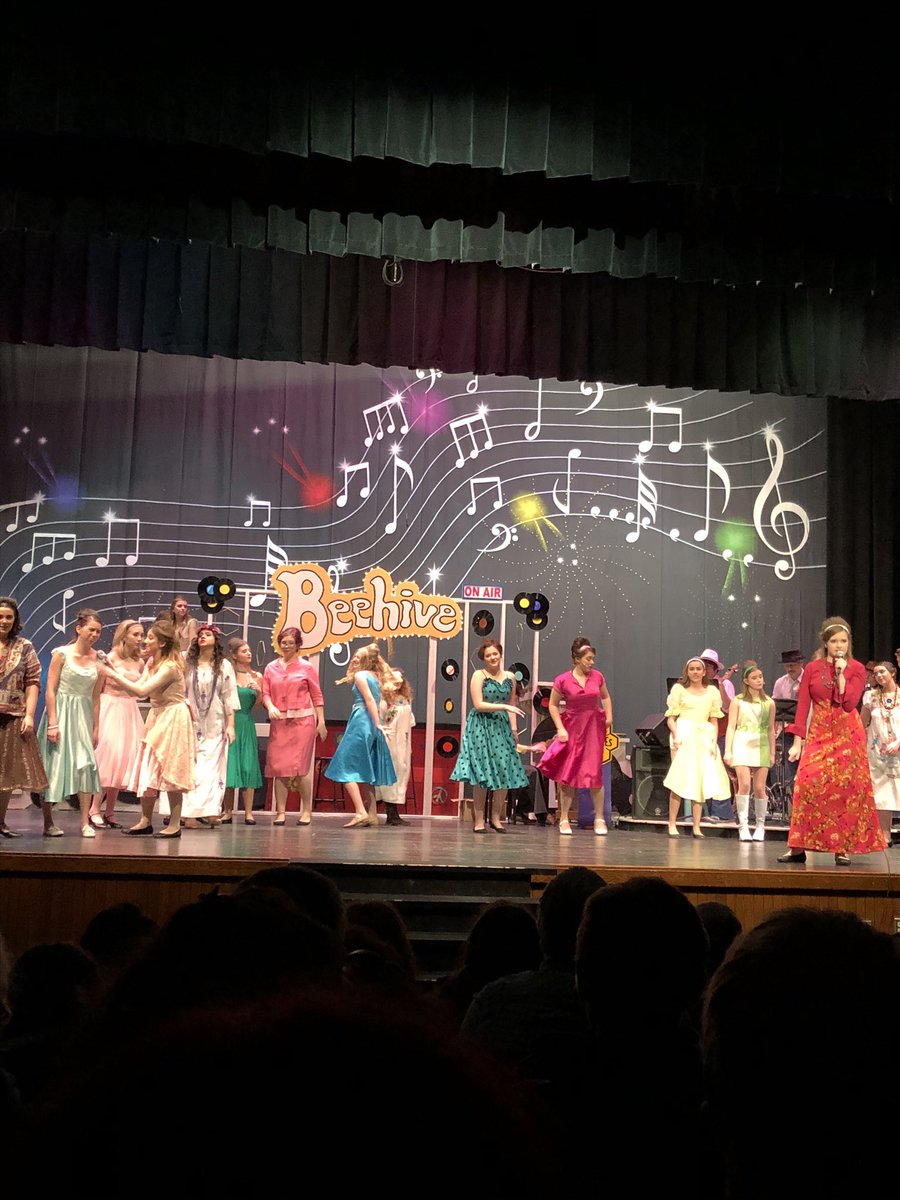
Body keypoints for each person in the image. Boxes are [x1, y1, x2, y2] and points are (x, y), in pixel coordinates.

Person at [778, 616, 886, 866]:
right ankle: (797, 848)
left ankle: (842, 848)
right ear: (826, 643)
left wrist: (842, 675)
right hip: (819, 731)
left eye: (844, 641)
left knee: (844, 789)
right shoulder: (812, 669)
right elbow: (803, 705)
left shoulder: (856, 668)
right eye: (835, 641)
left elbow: (849, 704)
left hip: (847, 734)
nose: (839, 645)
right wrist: (798, 740)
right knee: (806, 783)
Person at [109, 619, 196, 839]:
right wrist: (112, 670)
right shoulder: (152, 663)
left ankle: (174, 824)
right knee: (148, 767)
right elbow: (137, 688)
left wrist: (112, 674)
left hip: (173, 716)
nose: (145, 641)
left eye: (150, 638)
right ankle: (145, 820)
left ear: (162, 643)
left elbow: (141, 691)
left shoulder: (170, 667)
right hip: (157, 716)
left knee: (171, 769)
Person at [37, 608, 103, 839]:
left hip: (83, 716)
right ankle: (48, 822)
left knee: (86, 765)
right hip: (61, 712)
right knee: (53, 766)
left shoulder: (99, 659)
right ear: (78, 628)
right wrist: (53, 723)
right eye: (91, 630)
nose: (94, 635)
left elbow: (96, 696)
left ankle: (85, 822)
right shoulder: (61, 654)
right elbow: (51, 690)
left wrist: (96, 727)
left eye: (98, 631)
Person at [537, 636, 614, 836]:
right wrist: (560, 728)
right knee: (568, 773)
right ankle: (564, 818)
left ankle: (599, 818)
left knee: (594, 772)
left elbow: (605, 697)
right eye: (588, 659)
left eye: (593, 658)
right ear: (577, 659)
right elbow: (553, 705)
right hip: (572, 726)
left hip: (593, 728)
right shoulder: (563, 679)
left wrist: (608, 717)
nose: (592, 662)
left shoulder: (597, 676)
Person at [451, 639, 528, 834]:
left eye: (495, 654)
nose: (492, 657)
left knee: (504, 771)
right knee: (483, 774)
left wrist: (514, 729)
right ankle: (479, 820)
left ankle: (495, 818)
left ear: (500, 654)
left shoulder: (510, 677)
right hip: (481, 725)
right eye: (488, 655)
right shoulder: (479, 675)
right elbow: (478, 704)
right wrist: (504, 707)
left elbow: (512, 705)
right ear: (483, 658)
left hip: (502, 726)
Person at [325, 644, 396, 828]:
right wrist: (377, 723)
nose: (354, 658)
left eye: (358, 656)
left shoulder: (361, 675)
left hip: (362, 721)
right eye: (355, 655)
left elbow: (370, 700)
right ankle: (372, 814)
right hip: (370, 722)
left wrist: (378, 723)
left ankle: (360, 811)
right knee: (367, 769)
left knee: (343, 765)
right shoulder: (375, 676)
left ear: (366, 660)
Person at [174, 625, 237, 827]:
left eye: (207, 635)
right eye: (200, 635)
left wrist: (231, 725)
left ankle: (210, 810)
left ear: (216, 640)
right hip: (190, 718)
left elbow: (229, 696)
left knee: (211, 767)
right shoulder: (187, 660)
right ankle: (189, 814)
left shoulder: (224, 665)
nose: (203, 637)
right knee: (192, 766)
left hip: (214, 722)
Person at [262, 627, 325, 826]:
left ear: (298, 645)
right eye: (284, 642)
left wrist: (321, 721)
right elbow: (265, 692)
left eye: (291, 643)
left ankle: (306, 811)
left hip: (302, 722)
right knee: (279, 767)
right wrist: (270, 706)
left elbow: (316, 695)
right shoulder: (271, 667)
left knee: (301, 768)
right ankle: (280, 812)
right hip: (280, 722)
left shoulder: (306, 667)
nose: (287, 646)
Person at [663, 656, 731, 838]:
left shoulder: (711, 692)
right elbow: (671, 718)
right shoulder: (679, 690)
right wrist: (676, 734)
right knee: (679, 780)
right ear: (687, 671)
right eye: (691, 669)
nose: (695, 672)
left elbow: (714, 720)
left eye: (698, 669)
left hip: (703, 737)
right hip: (683, 734)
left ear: (703, 672)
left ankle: (696, 826)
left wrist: (713, 742)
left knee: (700, 781)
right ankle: (672, 824)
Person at [89, 619, 145, 829]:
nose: (139, 639)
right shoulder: (109, 658)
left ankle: (110, 811)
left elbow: (140, 691)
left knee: (122, 761)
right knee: (108, 758)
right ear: (124, 636)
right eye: (135, 634)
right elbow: (97, 690)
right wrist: (95, 722)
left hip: (129, 710)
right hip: (110, 708)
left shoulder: (139, 662)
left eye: (141, 635)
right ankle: (94, 808)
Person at [0, 597, 48, 837]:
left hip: (13, 716)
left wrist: (29, 715)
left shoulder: (25, 646)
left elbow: (32, 682)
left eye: (9, 617)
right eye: (0, 616)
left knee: (7, 773)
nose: (4, 621)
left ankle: (0, 821)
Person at [723, 661, 775, 841]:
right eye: (754, 678)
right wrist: (728, 750)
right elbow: (731, 727)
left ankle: (760, 826)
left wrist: (772, 752)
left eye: (760, 677)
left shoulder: (769, 702)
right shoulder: (737, 701)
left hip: (761, 745)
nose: (759, 680)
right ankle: (743, 826)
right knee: (744, 784)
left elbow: (770, 729)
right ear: (746, 681)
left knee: (759, 787)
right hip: (742, 743)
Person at [222, 637, 263, 825]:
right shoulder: (227, 674)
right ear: (234, 655)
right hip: (230, 723)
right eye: (244, 651)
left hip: (247, 723)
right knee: (230, 767)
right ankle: (227, 811)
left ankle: (248, 812)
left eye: (249, 650)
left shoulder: (256, 676)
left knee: (248, 766)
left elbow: (257, 708)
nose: (249, 653)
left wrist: (259, 692)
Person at [861, 662, 900, 844]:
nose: (879, 676)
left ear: (892, 673)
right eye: (876, 673)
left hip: (898, 748)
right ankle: (885, 834)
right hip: (877, 751)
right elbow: (862, 723)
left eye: (882, 672)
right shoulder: (871, 696)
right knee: (882, 792)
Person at [376, 665, 416, 826]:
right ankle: (388, 812)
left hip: (402, 741)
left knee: (401, 772)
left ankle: (392, 812)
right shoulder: (384, 699)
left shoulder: (406, 699)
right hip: (389, 740)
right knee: (390, 773)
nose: (398, 682)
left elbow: (409, 722)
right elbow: (380, 718)